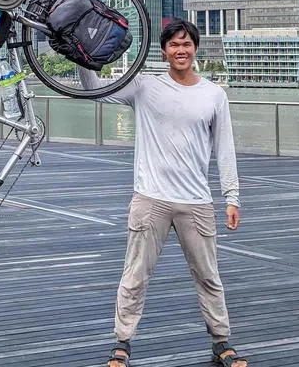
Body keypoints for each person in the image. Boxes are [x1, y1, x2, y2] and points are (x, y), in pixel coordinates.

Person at [80, 19, 248, 367]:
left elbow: (225, 149)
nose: (181, 50)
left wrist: (231, 196)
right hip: (150, 198)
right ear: (164, 51)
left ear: (195, 49)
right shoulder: (144, 86)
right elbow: (95, 89)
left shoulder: (214, 94)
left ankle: (221, 341)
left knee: (208, 276)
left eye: (186, 44)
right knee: (135, 275)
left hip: (197, 201)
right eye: (174, 45)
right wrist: (82, 52)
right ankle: (122, 343)